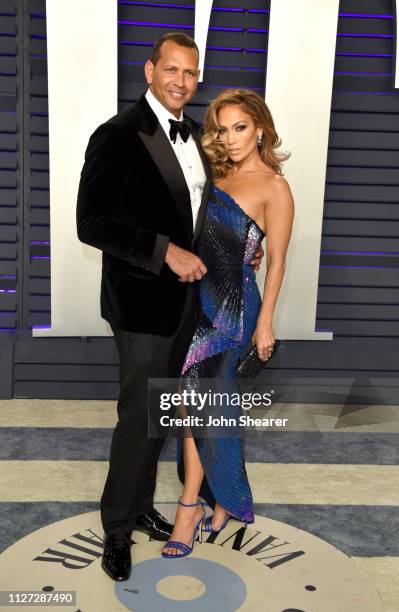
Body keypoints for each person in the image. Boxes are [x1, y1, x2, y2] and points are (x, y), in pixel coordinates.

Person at [76, 34, 262, 581]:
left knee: (166, 415)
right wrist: (164, 253)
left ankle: (141, 507)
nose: (181, 81)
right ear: (150, 69)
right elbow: (93, 224)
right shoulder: (117, 135)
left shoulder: (202, 137)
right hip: (142, 304)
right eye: (171, 70)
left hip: (195, 306)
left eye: (190, 73)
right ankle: (116, 528)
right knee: (139, 417)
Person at [161, 89, 294, 558]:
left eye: (241, 127)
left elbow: (275, 260)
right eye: (222, 128)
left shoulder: (274, 187)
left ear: (260, 128)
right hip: (197, 301)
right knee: (198, 405)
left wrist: (266, 323)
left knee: (195, 401)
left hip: (236, 309)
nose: (231, 138)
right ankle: (218, 501)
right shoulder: (212, 172)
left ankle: (189, 506)